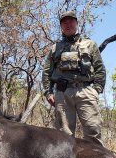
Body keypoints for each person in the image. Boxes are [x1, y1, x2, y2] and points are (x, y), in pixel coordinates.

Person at [42, 11, 106, 146]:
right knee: (64, 136)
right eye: (64, 22)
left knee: (93, 131)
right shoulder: (55, 48)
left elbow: (100, 68)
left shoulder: (90, 44)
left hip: (86, 91)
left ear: (76, 23)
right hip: (63, 93)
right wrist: (48, 93)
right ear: (61, 26)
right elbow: (47, 72)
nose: (68, 24)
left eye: (71, 21)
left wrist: (96, 89)